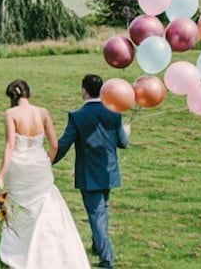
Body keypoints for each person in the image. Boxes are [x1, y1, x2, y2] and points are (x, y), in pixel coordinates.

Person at [0, 79, 90, 269]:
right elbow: (54, 144)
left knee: (20, 207)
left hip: (19, 167)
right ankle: (52, 247)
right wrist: (47, 159)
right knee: (45, 203)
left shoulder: (11, 114)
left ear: (12, 97)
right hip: (39, 165)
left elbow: (9, 145)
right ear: (29, 94)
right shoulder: (43, 113)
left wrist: (1, 174)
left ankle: (19, 248)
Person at [52, 74, 131, 269]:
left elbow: (64, 144)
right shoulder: (114, 113)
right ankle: (98, 246)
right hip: (109, 171)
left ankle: (106, 260)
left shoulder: (77, 116)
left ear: (84, 91)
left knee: (97, 214)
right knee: (102, 209)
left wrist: (47, 161)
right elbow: (123, 143)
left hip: (89, 174)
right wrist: (125, 132)